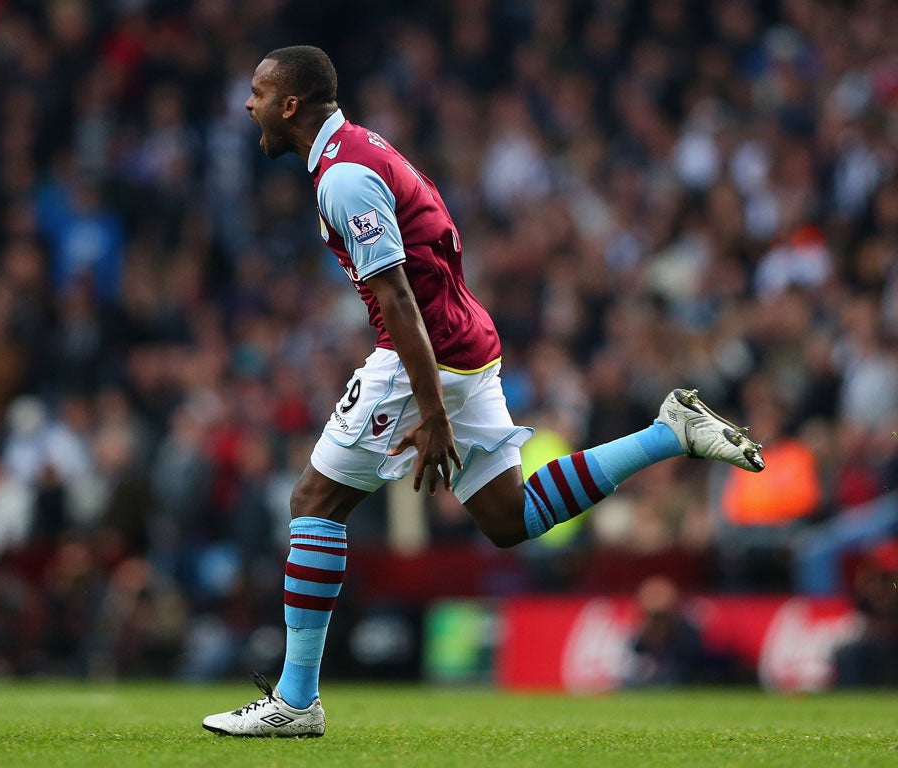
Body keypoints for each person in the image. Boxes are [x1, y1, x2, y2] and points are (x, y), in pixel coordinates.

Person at [202, 45, 765, 738]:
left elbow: (399, 300)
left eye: (258, 92)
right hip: (467, 343)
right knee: (509, 518)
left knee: (314, 501)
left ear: (291, 103)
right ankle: (668, 433)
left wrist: (432, 414)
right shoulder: (362, 148)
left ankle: (296, 700)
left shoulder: (343, 178)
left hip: (428, 357)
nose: (248, 104)